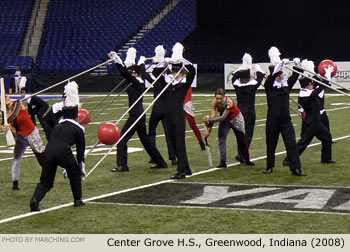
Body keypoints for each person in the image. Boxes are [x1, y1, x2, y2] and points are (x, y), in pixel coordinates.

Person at [108, 48, 168, 172]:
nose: (130, 74)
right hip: (139, 114)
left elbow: (124, 72)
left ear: (135, 73)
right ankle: (160, 162)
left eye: (132, 73)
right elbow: (126, 73)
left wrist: (115, 59)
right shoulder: (137, 82)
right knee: (145, 141)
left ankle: (123, 165)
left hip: (135, 115)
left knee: (122, 139)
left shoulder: (136, 82)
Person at [30, 82, 86, 211]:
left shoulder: (58, 124)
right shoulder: (79, 128)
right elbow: (80, 151)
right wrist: (80, 165)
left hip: (49, 151)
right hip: (63, 152)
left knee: (46, 181)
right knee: (75, 173)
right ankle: (78, 200)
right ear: (77, 116)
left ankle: (35, 200)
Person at [153, 43, 195, 179]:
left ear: (182, 72)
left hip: (178, 116)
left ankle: (181, 171)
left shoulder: (183, 85)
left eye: (178, 71)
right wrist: (164, 62)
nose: (175, 74)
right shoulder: (167, 84)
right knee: (173, 142)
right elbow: (155, 73)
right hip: (168, 117)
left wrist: (181, 59)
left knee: (179, 143)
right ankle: (187, 168)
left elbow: (192, 70)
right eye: (174, 71)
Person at [263, 46, 306, 176]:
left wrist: (297, 63)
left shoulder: (285, 87)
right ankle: (269, 166)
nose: (280, 77)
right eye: (278, 75)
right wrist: (279, 66)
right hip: (272, 121)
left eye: (281, 75)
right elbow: (271, 78)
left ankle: (295, 168)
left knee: (291, 144)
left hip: (286, 121)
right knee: (271, 144)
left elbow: (295, 75)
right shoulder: (269, 86)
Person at [283, 61, 335, 164]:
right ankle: (289, 159)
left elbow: (319, 87)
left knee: (327, 137)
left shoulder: (307, 92)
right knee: (303, 143)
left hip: (315, 121)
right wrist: (327, 77)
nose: (312, 85)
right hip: (311, 123)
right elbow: (320, 88)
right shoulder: (307, 95)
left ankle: (326, 158)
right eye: (311, 84)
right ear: (308, 85)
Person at [0, 95, 45, 190]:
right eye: (4, 98)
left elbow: (14, 114)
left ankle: (47, 176)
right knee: (16, 159)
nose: (7, 98)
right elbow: (12, 133)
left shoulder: (18, 103)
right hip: (21, 136)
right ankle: (15, 184)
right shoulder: (6, 116)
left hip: (32, 133)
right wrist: (6, 128)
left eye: (6, 96)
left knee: (41, 156)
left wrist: (5, 121)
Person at [203, 88, 255, 168]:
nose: (219, 100)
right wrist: (209, 129)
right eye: (217, 98)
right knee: (221, 139)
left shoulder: (229, 102)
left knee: (242, 140)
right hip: (225, 121)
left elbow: (223, 117)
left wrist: (209, 119)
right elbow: (213, 116)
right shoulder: (215, 102)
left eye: (221, 98)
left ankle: (247, 159)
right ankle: (223, 162)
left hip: (236, 119)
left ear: (224, 97)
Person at [231, 53, 265, 163]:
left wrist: (243, 67)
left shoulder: (236, 85)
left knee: (240, 134)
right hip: (250, 112)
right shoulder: (253, 85)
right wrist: (255, 67)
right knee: (248, 134)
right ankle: (242, 154)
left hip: (239, 112)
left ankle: (240, 153)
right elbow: (260, 76)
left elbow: (234, 76)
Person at [148, 45, 177, 165]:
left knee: (151, 131)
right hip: (167, 107)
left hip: (158, 106)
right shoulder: (169, 73)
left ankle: (153, 156)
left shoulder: (157, 73)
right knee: (168, 133)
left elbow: (148, 75)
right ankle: (173, 158)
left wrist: (152, 63)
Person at [184, 86, 205, 150]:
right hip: (179, 105)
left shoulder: (187, 82)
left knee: (193, 125)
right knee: (179, 127)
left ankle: (201, 142)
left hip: (187, 105)